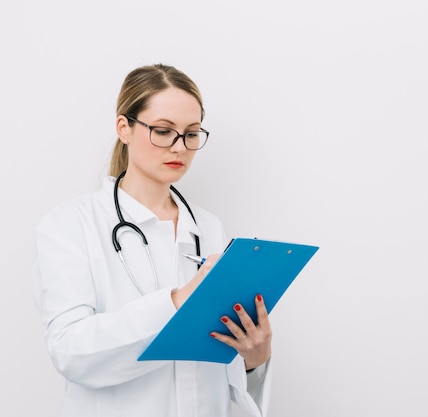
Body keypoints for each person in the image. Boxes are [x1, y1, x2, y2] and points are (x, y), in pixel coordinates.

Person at [32, 64, 272, 417]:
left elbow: (220, 364)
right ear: (124, 128)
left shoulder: (208, 228)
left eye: (191, 134)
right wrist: (176, 302)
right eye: (163, 131)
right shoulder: (70, 224)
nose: (180, 147)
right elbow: (69, 351)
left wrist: (254, 358)